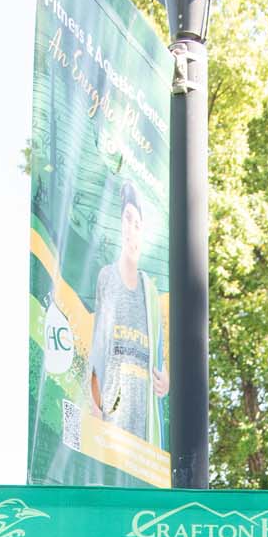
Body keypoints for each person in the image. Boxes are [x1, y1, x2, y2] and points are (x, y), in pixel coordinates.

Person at [87, 181, 169, 447]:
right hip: (112, 424)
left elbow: (159, 357)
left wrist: (166, 380)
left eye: (138, 224)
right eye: (128, 219)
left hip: (145, 437)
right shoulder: (107, 277)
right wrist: (96, 406)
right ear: (120, 223)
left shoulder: (151, 292)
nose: (132, 230)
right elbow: (98, 350)